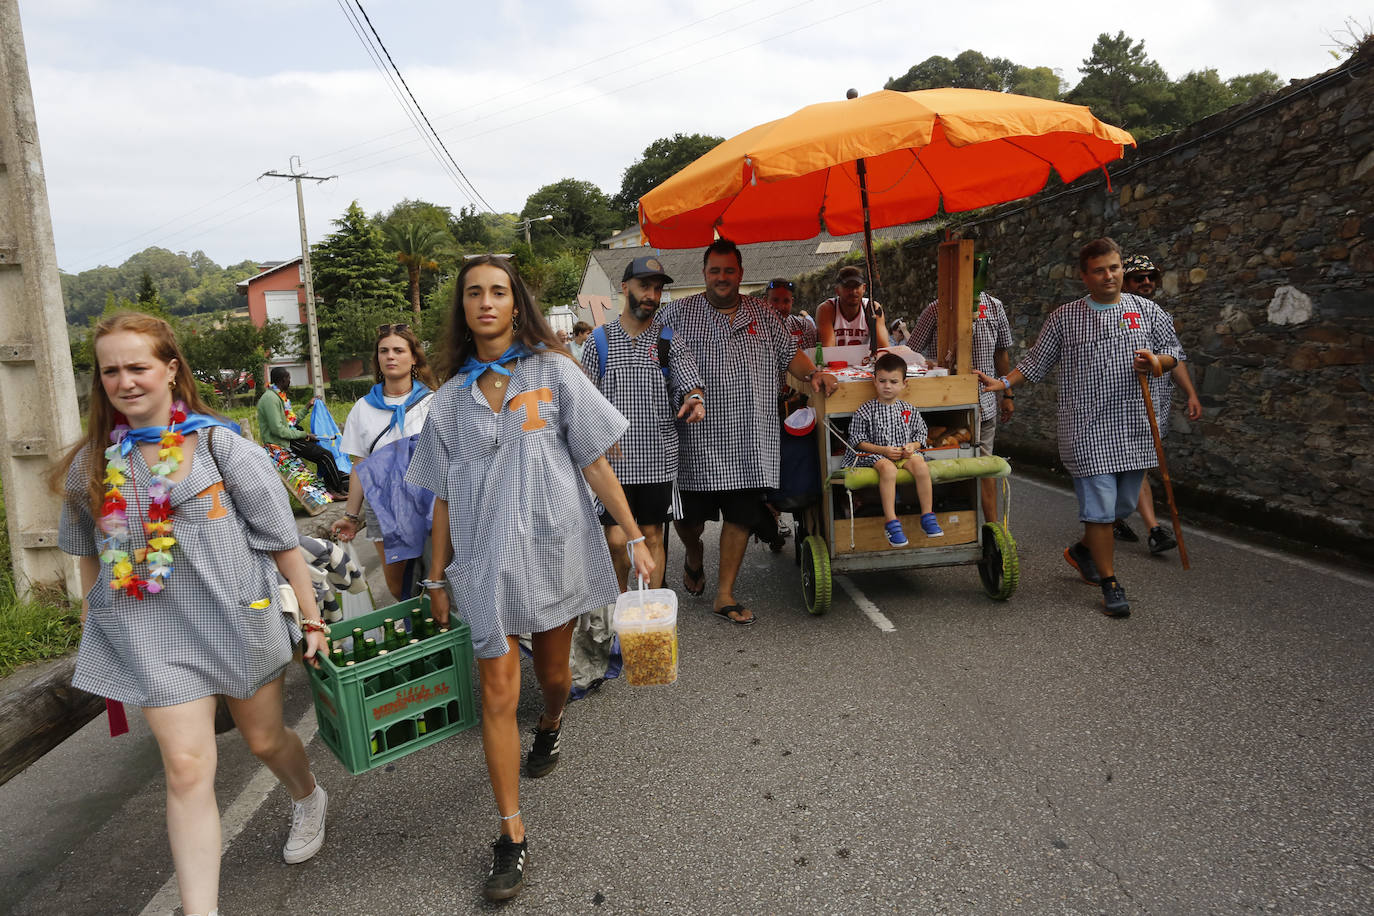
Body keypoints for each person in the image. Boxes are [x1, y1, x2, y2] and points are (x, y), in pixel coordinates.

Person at [54, 312, 330, 916]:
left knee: (264, 741)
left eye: (138, 366)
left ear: (170, 369)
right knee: (185, 768)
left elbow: (284, 542)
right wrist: (95, 629)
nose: (125, 381)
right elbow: (85, 557)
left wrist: (311, 619)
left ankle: (307, 797)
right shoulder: (91, 465)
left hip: (239, 619)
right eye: (110, 371)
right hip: (152, 634)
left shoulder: (221, 445)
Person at [406, 255, 654, 902]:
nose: (486, 302)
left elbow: (595, 463)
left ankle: (549, 724)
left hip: (552, 549)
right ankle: (511, 834)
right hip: (485, 561)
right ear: (461, 308)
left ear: (516, 304)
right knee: (494, 692)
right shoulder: (448, 402)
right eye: (473, 293)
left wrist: (632, 533)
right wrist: (435, 577)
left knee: (553, 677)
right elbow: (439, 498)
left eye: (497, 292)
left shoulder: (554, 371)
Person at [977, 238, 1184, 618]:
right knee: (1101, 511)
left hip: (1135, 424)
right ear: (1084, 276)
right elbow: (1037, 362)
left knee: (1122, 505)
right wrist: (1002, 384)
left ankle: (1083, 551)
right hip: (1085, 425)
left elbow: (1174, 353)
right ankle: (1109, 582)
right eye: (1100, 270)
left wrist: (1157, 361)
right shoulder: (1065, 317)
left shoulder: (1148, 311)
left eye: (1115, 268)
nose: (1110, 276)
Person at [657, 238, 837, 626]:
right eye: (714, 271)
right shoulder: (677, 315)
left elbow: (791, 355)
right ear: (704, 274)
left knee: (740, 517)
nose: (722, 278)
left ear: (740, 273)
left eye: (729, 270)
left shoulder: (764, 313)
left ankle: (724, 594)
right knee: (687, 520)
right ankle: (692, 555)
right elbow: (660, 357)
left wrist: (814, 373)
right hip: (696, 438)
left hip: (749, 438)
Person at [581, 255, 705, 590]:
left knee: (652, 535)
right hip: (613, 465)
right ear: (625, 288)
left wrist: (695, 398)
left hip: (657, 459)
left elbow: (688, 381)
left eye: (657, 289)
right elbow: (583, 399)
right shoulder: (598, 341)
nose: (651, 295)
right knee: (617, 539)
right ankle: (621, 609)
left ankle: (651, 612)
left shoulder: (668, 340)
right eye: (644, 286)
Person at [329, 324, 437, 600]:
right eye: (384, 351)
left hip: (431, 505)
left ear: (413, 358)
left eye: (399, 350)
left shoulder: (433, 403)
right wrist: (351, 517)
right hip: (384, 508)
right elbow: (359, 466)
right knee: (400, 587)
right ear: (377, 358)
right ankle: (416, 633)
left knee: (438, 579)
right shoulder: (363, 409)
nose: (391, 356)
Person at [909, 274, 1015, 524]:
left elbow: (1001, 353)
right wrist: (931, 365)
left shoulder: (994, 307)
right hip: (945, 406)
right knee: (947, 465)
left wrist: (1007, 393)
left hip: (985, 402)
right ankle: (948, 522)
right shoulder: (935, 309)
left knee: (985, 466)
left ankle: (992, 530)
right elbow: (911, 352)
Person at [1116, 254, 1202, 553]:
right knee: (1134, 463)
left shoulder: (1158, 315)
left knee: (1132, 464)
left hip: (1154, 402)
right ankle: (1153, 528)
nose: (1147, 282)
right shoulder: (1109, 313)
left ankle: (1113, 516)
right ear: (1125, 282)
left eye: (1151, 277)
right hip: (1119, 403)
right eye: (1139, 277)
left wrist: (1190, 393)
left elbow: (1175, 358)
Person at [846, 352, 942, 546]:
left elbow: (920, 435)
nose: (887, 386)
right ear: (874, 381)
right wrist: (882, 450)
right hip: (874, 455)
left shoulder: (908, 409)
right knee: (888, 469)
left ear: (904, 384)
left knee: (921, 465)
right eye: (882, 381)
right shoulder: (866, 410)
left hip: (902, 454)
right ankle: (891, 522)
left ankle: (927, 515)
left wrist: (911, 447)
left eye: (893, 381)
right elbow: (857, 440)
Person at [255, 367, 349, 496]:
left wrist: (307, 406)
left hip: (289, 437)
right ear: (283, 380)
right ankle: (337, 490)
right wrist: (305, 435)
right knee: (325, 455)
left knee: (323, 453)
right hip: (281, 443)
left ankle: (332, 488)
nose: (290, 382)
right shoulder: (271, 399)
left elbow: (291, 422)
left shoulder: (278, 396)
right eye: (289, 379)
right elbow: (279, 430)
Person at [815, 265, 890, 350]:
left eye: (857, 286)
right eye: (847, 287)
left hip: (866, 362)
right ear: (837, 290)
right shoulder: (827, 309)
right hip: (837, 362)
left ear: (864, 288)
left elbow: (883, 348)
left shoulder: (872, 308)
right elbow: (828, 351)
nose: (853, 291)